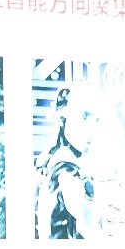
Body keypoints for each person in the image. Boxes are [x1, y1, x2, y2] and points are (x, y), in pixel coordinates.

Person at [36, 87, 101, 239]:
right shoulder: (65, 166)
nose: (91, 129)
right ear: (64, 113)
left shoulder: (53, 157)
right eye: (84, 116)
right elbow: (88, 218)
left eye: (96, 120)